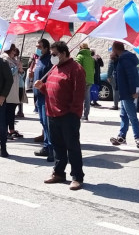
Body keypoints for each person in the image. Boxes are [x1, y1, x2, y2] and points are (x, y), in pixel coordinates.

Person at [36, 41, 86, 190]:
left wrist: (73, 114)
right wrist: (42, 87)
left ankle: (77, 177)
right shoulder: (54, 68)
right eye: (52, 54)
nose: (52, 57)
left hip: (68, 116)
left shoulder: (76, 69)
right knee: (58, 147)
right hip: (52, 114)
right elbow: (51, 89)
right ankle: (58, 173)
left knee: (72, 147)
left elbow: (78, 95)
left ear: (64, 53)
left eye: (54, 54)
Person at [109, 41, 139, 149]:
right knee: (123, 115)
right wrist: (114, 60)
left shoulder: (126, 59)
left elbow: (132, 76)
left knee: (132, 116)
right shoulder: (121, 59)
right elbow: (119, 73)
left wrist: (134, 91)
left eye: (112, 49)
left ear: (115, 49)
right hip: (124, 92)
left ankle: (138, 138)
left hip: (128, 92)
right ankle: (122, 136)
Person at [32, 38, 55, 160]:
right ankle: (46, 146)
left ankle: (51, 149)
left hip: (46, 96)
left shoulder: (50, 61)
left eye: (39, 47)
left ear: (46, 48)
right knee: (43, 123)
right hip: (39, 97)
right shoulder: (39, 60)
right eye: (37, 47)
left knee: (47, 124)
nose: (37, 49)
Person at [2, 45, 24, 140]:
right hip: (9, 89)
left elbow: (21, 74)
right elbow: (9, 73)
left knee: (12, 111)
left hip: (16, 87)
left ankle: (11, 130)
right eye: (14, 50)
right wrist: (16, 67)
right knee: (8, 111)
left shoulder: (13, 59)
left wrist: (20, 69)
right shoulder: (5, 59)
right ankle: (5, 131)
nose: (15, 52)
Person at [74, 42, 95, 121]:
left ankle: (78, 114)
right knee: (87, 97)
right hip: (89, 79)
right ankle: (86, 115)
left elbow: (76, 68)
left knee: (79, 98)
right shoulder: (91, 58)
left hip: (82, 79)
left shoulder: (80, 56)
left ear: (80, 48)